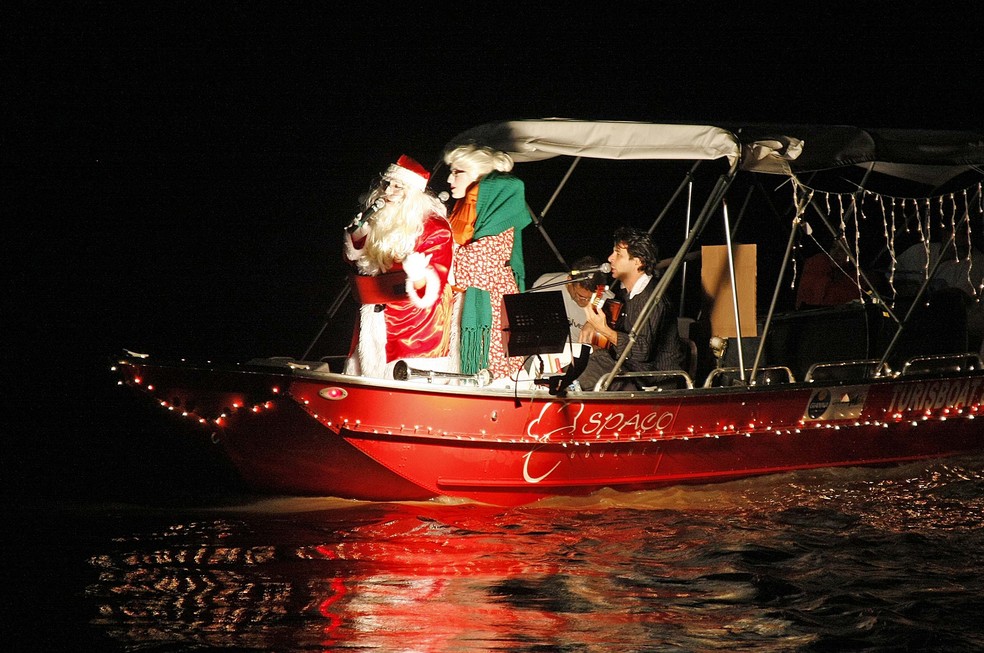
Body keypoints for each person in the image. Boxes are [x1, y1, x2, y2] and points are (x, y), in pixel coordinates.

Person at [342, 154, 454, 379]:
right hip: (373, 316)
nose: (388, 191)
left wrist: (418, 274)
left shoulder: (434, 227)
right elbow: (357, 263)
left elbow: (433, 289)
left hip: (415, 326)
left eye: (398, 187)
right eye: (387, 184)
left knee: (404, 384)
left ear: (413, 193)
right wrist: (356, 237)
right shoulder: (377, 218)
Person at [443, 143, 532, 382]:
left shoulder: (498, 202)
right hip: (466, 298)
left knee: (491, 375)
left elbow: (476, 264)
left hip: (490, 305)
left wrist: (436, 256)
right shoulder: (466, 206)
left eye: (457, 172)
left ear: (479, 175)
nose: (450, 179)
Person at [577, 226, 684, 391]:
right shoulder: (624, 293)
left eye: (618, 255)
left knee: (584, 380)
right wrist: (591, 324)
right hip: (628, 371)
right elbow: (610, 318)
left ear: (638, 262)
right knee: (578, 368)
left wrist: (603, 329)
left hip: (653, 380)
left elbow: (642, 351)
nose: (610, 258)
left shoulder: (653, 299)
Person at [796, 238, 866, 309]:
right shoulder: (818, 266)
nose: (835, 252)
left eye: (842, 249)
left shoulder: (857, 280)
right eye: (834, 247)